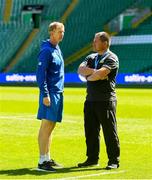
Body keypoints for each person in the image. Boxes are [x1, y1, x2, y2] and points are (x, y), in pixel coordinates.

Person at [77, 32, 120, 170]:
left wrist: (91, 75)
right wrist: (94, 73)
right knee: (90, 131)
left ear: (105, 43)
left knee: (109, 131)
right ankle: (92, 158)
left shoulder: (111, 58)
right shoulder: (91, 57)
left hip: (105, 100)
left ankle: (113, 160)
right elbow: (80, 70)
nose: (93, 43)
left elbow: (100, 74)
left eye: (96, 41)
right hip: (90, 100)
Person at [36, 22, 65, 172]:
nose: (62, 34)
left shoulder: (56, 48)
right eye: (60, 31)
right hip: (51, 93)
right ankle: (42, 161)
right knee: (46, 126)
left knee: (51, 127)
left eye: (63, 31)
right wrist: (45, 94)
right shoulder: (47, 50)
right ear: (52, 32)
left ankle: (47, 157)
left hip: (58, 92)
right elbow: (41, 75)